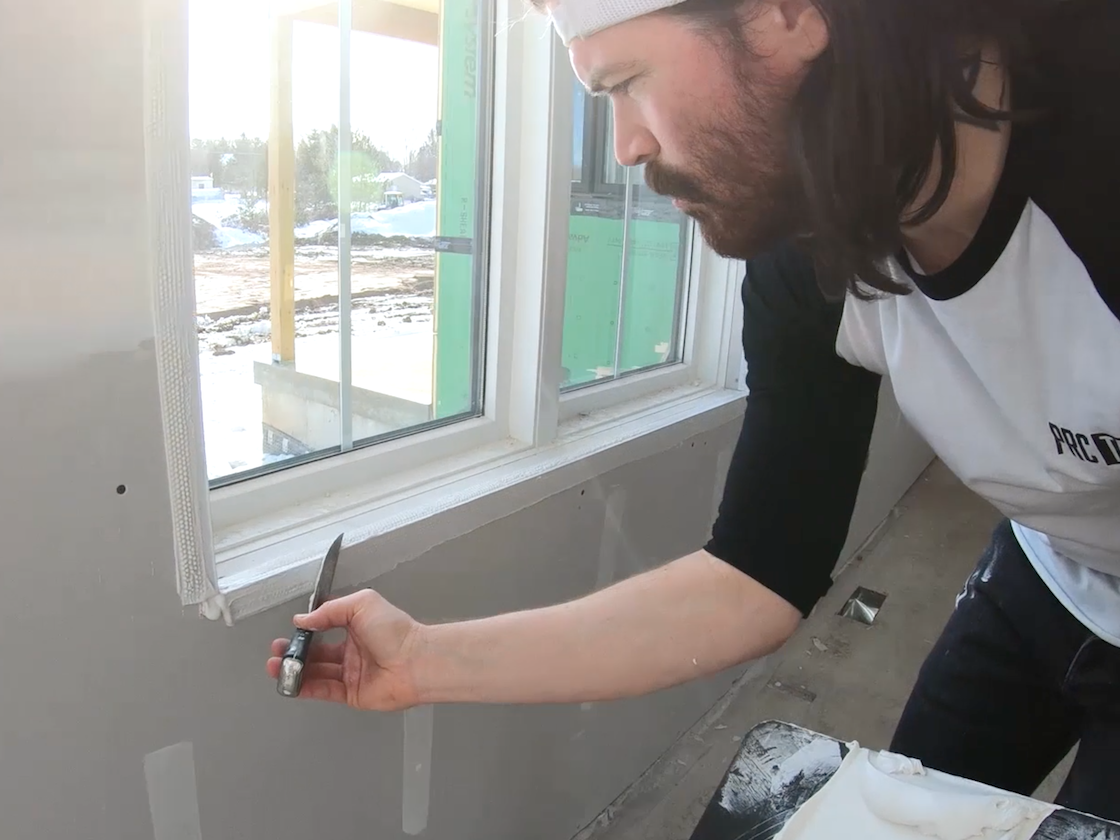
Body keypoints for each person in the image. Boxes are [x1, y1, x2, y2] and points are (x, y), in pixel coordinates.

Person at [267, 0, 1120, 820]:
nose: (627, 145)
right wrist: (424, 660)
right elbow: (755, 575)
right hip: (1048, 575)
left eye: (627, 81)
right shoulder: (810, 256)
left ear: (788, 9)